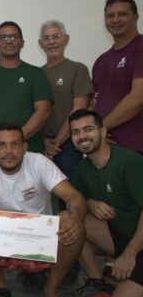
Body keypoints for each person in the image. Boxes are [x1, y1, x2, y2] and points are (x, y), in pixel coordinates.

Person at [0, 122, 87, 297]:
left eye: (15, 144)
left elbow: (74, 197)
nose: (8, 151)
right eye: (1, 145)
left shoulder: (39, 162)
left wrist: (76, 218)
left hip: (39, 239)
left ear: (25, 147)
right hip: (3, 241)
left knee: (71, 222)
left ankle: (50, 292)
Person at [68, 109, 143, 297]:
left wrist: (129, 255)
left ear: (103, 131)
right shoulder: (84, 167)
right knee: (70, 219)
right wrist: (90, 203)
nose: (82, 136)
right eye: (76, 132)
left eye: (88, 129)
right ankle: (97, 283)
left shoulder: (128, 162)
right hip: (124, 235)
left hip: (137, 243)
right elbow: (75, 199)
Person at [0, 21, 54, 163]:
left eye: (13, 37)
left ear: (22, 42)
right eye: (3, 38)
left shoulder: (36, 73)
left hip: (29, 152)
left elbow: (44, 111)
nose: (9, 41)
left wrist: (16, 141)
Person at [39, 20, 94, 180]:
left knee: (71, 189)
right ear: (40, 44)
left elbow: (79, 108)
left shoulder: (77, 69)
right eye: (46, 38)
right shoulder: (36, 74)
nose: (51, 42)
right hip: (42, 144)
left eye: (56, 36)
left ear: (66, 39)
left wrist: (56, 143)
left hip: (69, 145)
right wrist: (44, 142)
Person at [92, 0, 143, 153]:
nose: (115, 20)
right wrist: (96, 132)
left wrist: (101, 128)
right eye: (110, 16)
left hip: (137, 147)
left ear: (136, 17)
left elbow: (138, 97)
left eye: (122, 14)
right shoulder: (101, 61)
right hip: (108, 148)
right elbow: (95, 103)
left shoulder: (140, 48)